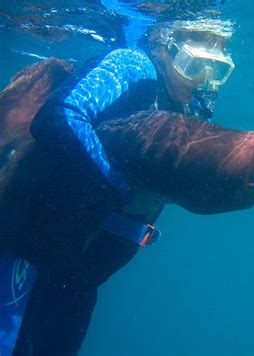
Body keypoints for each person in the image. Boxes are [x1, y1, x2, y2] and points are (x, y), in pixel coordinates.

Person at [9, 8, 237, 356]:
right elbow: (61, 116)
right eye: (195, 65)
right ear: (164, 46)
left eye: (217, 70)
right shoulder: (135, 66)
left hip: (76, 273)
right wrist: (116, 189)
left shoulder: (185, 103)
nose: (202, 79)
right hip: (28, 260)